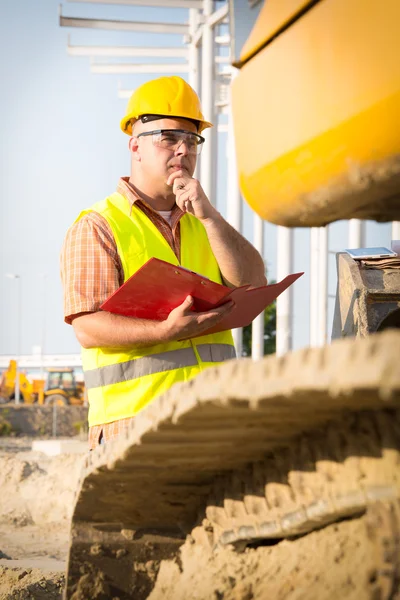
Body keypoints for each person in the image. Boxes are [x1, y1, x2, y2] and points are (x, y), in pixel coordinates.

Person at [60, 76, 267, 449]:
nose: (183, 150)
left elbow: (252, 281)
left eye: (192, 140)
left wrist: (211, 218)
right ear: (135, 145)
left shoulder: (204, 221)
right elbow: (88, 327)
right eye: (168, 138)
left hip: (213, 421)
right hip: (136, 429)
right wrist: (164, 333)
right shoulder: (99, 224)